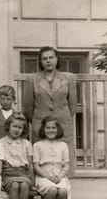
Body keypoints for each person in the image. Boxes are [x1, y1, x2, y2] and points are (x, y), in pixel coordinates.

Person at [23, 46, 77, 176]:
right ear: (40, 61)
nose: (48, 61)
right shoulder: (33, 79)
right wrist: (38, 120)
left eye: (51, 57)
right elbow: (28, 106)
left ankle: (63, 191)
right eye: (44, 58)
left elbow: (72, 105)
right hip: (40, 125)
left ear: (57, 59)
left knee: (63, 161)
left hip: (63, 124)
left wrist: (63, 117)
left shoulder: (68, 78)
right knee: (42, 161)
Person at [33, 116, 71, 199]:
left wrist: (60, 176)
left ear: (58, 129)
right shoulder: (37, 145)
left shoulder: (63, 145)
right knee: (52, 189)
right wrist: (48, 176)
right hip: (44, 175)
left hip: (59, 174)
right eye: (48, 128)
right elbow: (36, 165)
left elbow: (66, 164)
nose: (51, 130)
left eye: (53, 128)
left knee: (63, 191)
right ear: (43, 129)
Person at [0, 113, 34, 199]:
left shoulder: (26, 143)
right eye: (14, 126)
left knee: (23, 185)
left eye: (20, 127)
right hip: (8, 174)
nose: (17, 130)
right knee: (14, 185)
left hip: (23, 173)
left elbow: (30, 164)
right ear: (8, 126)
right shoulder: (0, 143)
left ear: (24, 130)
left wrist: (32, 178)